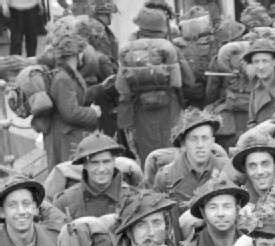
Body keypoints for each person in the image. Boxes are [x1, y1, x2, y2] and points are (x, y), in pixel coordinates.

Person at [115, 7, 182, 163]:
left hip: (140, 109)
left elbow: (121, 87)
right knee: (170, 147)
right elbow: (177, 82)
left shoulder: (127, 49)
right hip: (168, 108)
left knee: (147, 150)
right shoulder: (168, 47)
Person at [152, 108, 236, 205]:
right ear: (183, 145)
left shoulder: (228, 169)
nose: (200, 145)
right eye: (193, 139)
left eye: (205, 138)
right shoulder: (166, 178)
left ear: (212, 142)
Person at [44, 35, 102, 169]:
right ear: (78, 54)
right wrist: (93, 112)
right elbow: (70, 113)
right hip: (65, 139)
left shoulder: (69, 74)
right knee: (70, 175)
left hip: (69, 135)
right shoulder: (63, 78)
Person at [53, 132, 133, 219]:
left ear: (114, 162)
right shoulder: (65, 202)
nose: (101, 169)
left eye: (106, 162)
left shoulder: (132, 197)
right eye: (95, 163)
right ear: (85, 165)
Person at [185, 172, 250, 246]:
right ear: (203, 213)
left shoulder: (251, 245)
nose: (221, 214)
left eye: (227, 206)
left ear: (237, 209)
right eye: (213, 207)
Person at [230, 128, 275, 205]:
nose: (260, 172)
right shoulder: (237, 202)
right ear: (245, 169)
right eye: (252, 166)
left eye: (265, 164)